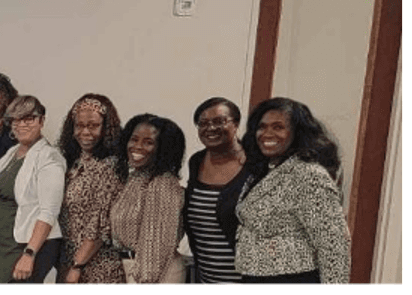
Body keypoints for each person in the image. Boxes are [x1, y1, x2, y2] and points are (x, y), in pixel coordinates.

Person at [236, 97, 350, 283]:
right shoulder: (263, 171)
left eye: (278, 127)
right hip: (256, 277)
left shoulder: (309, 174)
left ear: (297, 133)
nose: (267, 133)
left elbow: (333, 246)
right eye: (262, 127)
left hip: (292, 279)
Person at [0, 95, 64, 283]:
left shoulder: (49, 158)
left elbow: (48, 212)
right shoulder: (11, 154)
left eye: (28, 119)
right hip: (0, 248)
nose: (21, 125)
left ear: (41, 121)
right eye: (16, 120)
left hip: (23, 248)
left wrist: (29, 254)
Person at [55, 94, 125, 283]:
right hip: (68, 261)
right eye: (79, 125)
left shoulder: (111, 167)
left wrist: (78, 265)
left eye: (93, 125)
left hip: (96, 266)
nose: (85, 132)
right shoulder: (72, 164)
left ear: (106, 128)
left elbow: (100, 226)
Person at [110, 113, 186, 283]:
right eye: (134, 139)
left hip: (153, 275)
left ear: (164, 148)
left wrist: (142, 280)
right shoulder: (137, 178)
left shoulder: (162, 183)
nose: (137, 146)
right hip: (134, 268)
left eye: (148, 142)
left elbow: (155, 247)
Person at [182, 97, 249, 283]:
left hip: (245, 279)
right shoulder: (196, 161)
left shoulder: (255, 164)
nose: (210, 128)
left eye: (219, 121)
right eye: (203, 123)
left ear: (235, 124)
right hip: (206, 276)